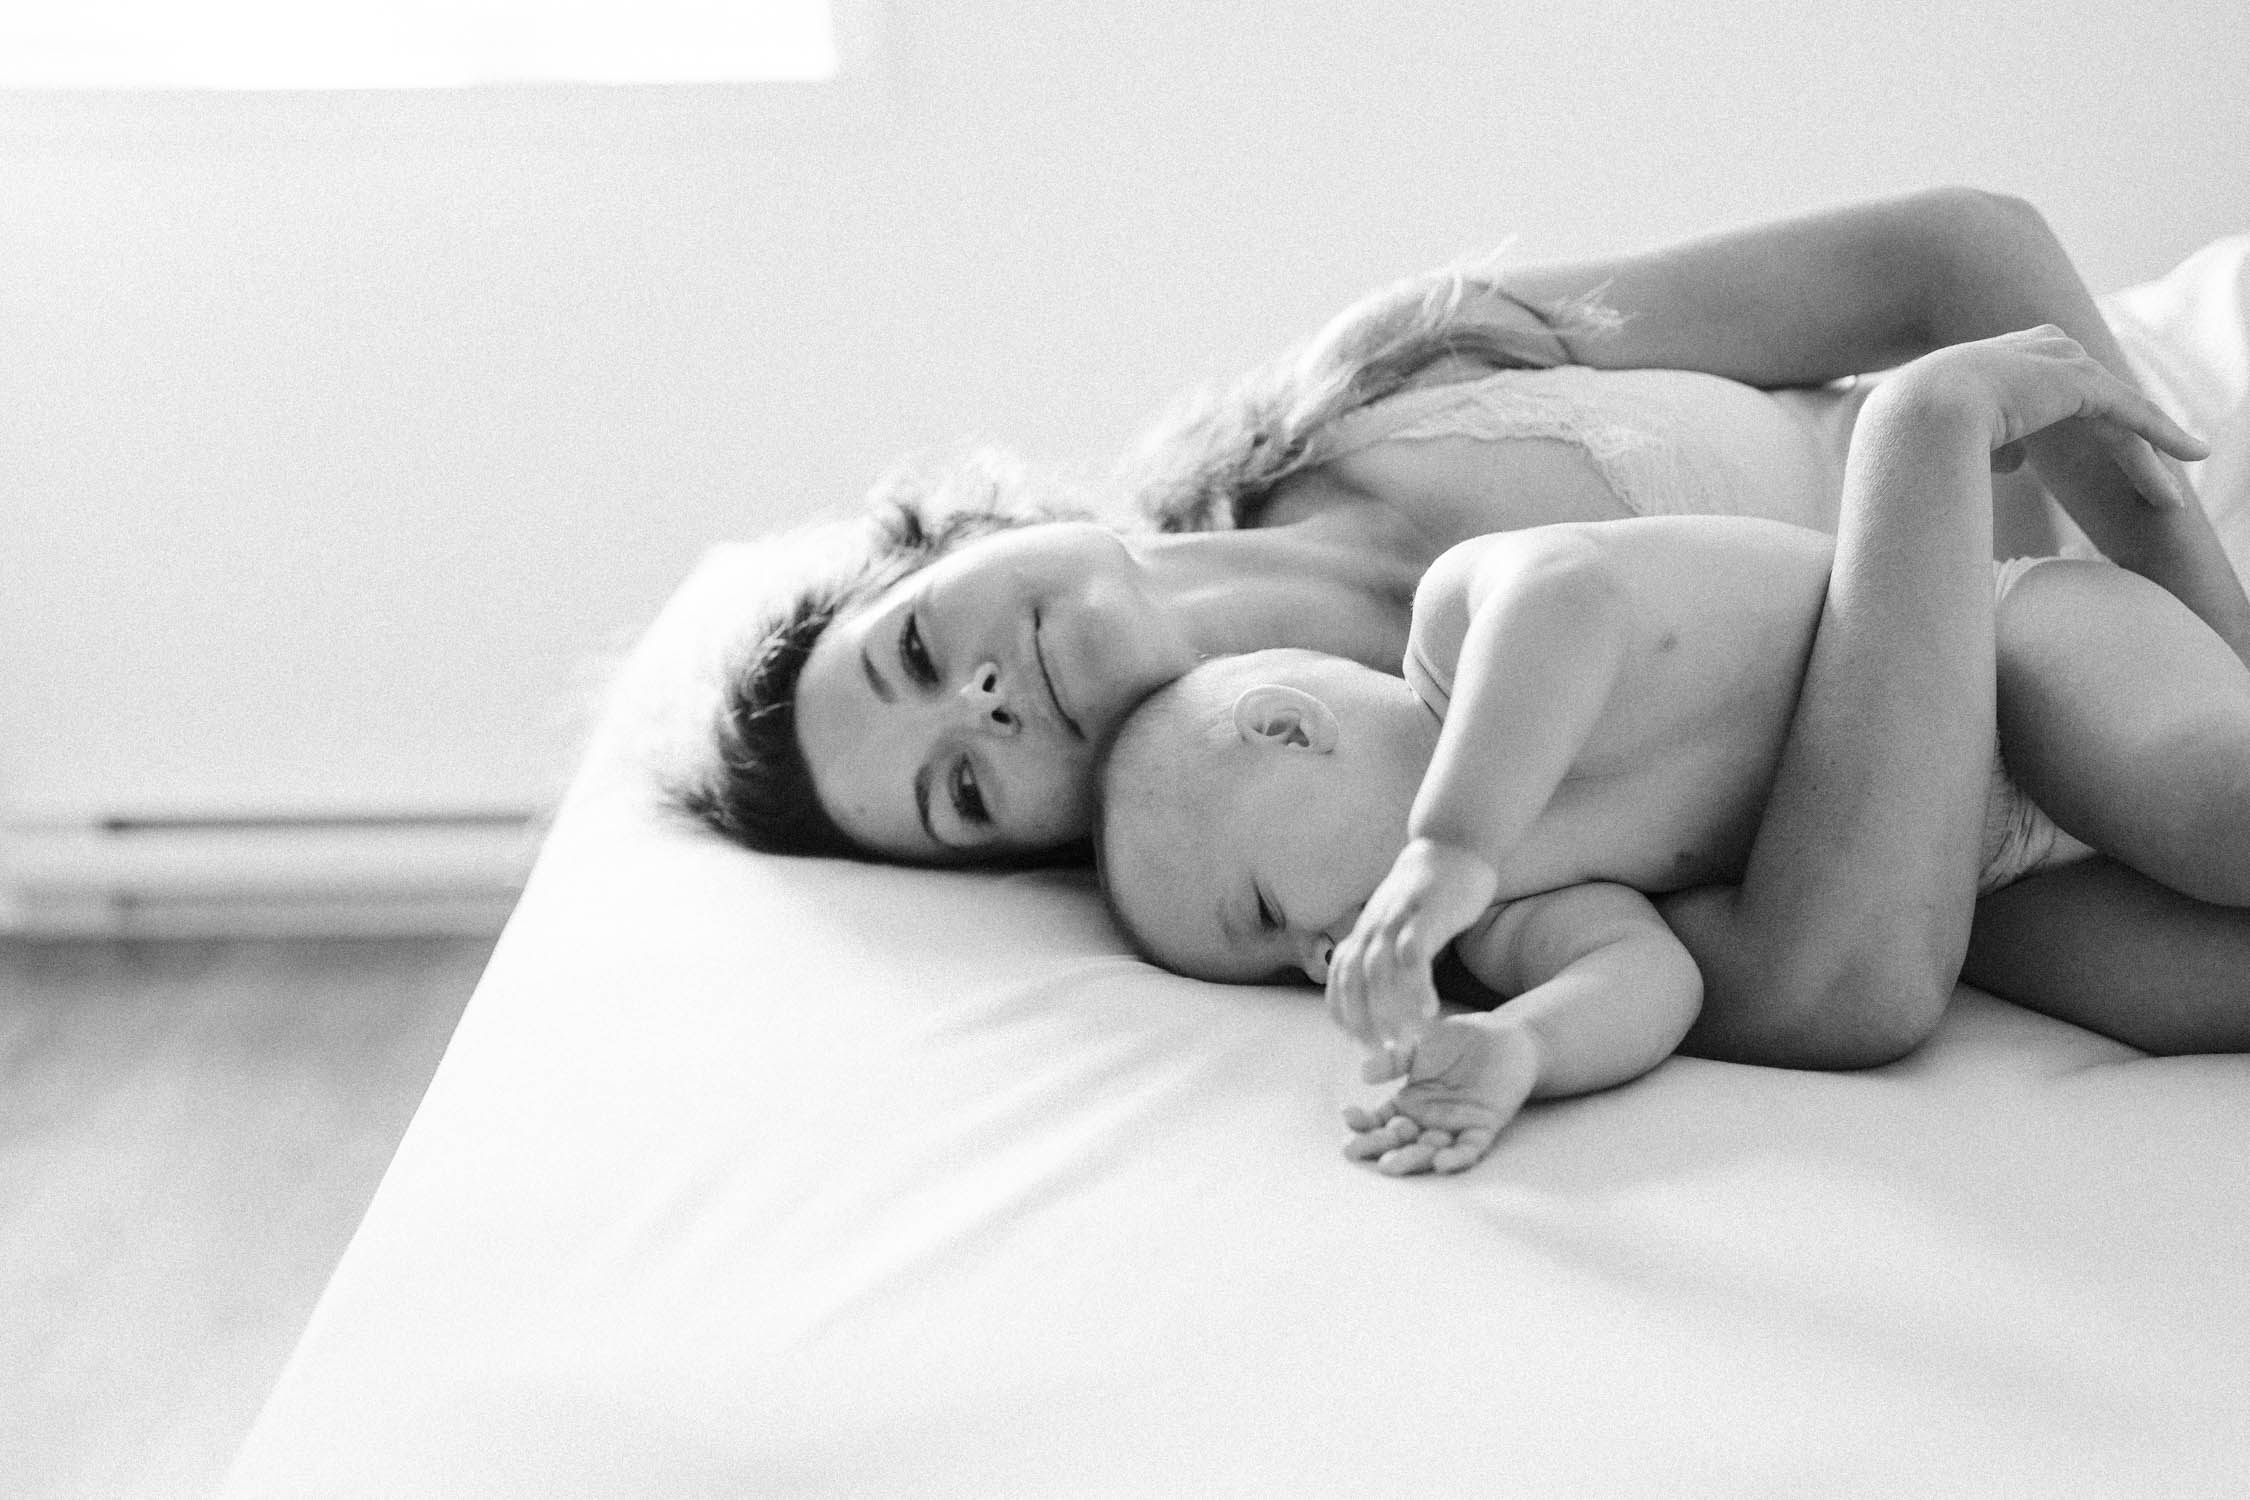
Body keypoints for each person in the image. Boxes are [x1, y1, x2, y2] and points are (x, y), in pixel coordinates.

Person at [678, 188, 2250, 1067]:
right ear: (1028, 847)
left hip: (2153, 446)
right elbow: (1833, 972)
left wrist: (2201, 612)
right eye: (960, 786)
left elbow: (1950, 262)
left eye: (910, 651)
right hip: (2027, 786)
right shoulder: (1333, 834)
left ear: (973, 531)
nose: (983, 704)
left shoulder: (1389, 380)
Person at [1094, 328, 2243, 1176]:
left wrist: (1452, 843)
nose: (1313, 959)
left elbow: (1570, 596)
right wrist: (1520, 1049)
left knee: (2214, 807)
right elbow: (1654, 978)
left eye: (1264, 912)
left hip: (2007, 650)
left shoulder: (1457, 641)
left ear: (1290, 727)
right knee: (2191, 991)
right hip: (1976, 875)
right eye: (1273, 969)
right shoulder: (1504, 924)